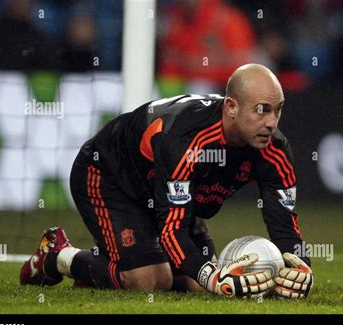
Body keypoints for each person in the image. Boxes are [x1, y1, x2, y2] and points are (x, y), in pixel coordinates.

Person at [20, 64, 313, 299]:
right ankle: (57, 255)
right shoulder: (185, 139)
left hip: (167, 193)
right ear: (231, 107)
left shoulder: (274, 149)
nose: (272, 122)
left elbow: (284, 223)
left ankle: (100, 274)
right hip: (109, 176)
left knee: (198, 286)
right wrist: (212, 276)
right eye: (262, 110)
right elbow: (173, 231)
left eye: (278, 110)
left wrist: (301, 271)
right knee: (150, 280)